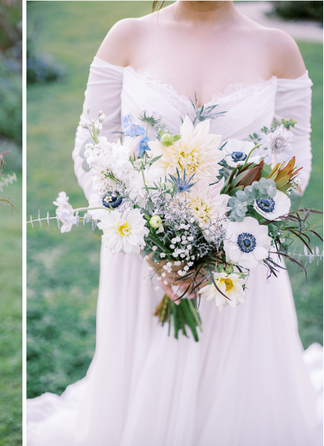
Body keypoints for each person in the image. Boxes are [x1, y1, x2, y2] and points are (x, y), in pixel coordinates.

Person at [27, 1, 321, 445]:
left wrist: (225, 237)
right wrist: (151, 242)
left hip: (239, 258)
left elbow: (295, 160)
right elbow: (92, 147)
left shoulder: (278, 47)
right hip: (141, 260)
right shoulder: (126, 36)